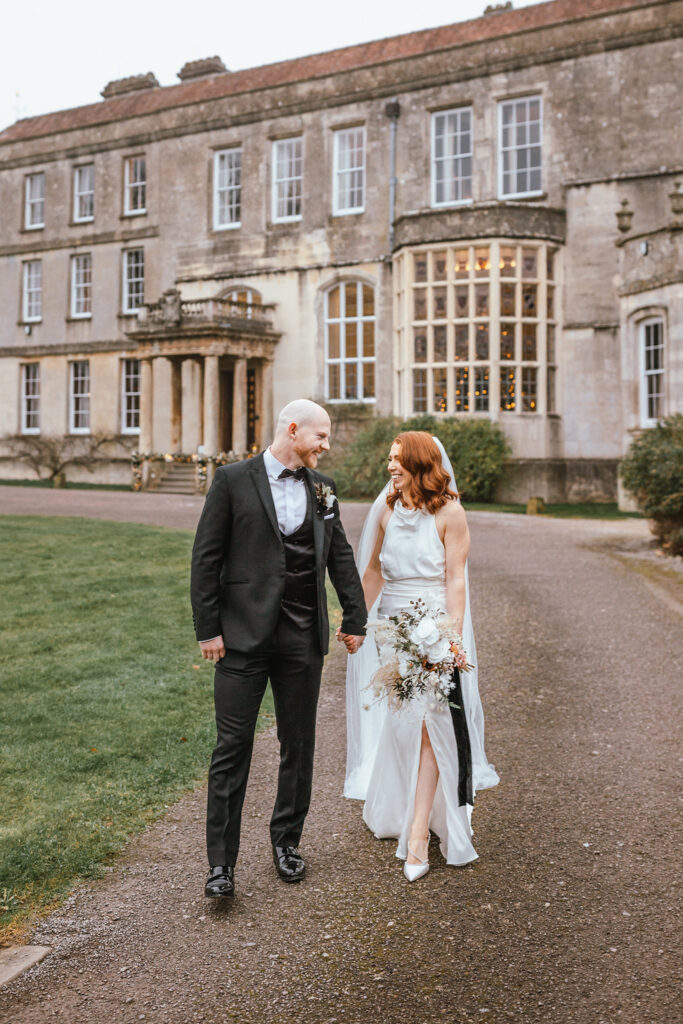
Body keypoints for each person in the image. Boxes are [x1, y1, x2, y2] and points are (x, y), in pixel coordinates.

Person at [191, 399, 366, 898]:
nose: (326, 445)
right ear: (293, 430)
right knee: (232, 749)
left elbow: (339, 555)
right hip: (241, 639)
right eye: (321, 436)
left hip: (301, 638)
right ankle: (221, 865)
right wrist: (208, 629)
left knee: (299, 744)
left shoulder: (323, 488)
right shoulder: (231, 480)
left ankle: (287, 843)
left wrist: (355, 616)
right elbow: (205, 560)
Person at [344, 431, 498, 881]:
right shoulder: (387, 510)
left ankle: (417, 835)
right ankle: (402, 807)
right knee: (404, 722)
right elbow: (374, 571)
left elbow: (455, 579)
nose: (390, 466)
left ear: (419, 463)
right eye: (389, 458)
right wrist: (356, 622)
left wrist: (451, 637)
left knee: (432, 725)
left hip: (433, 629)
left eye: (398, 459)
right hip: (392, 630)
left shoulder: (451, 514)